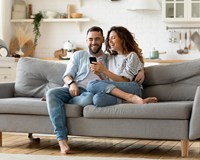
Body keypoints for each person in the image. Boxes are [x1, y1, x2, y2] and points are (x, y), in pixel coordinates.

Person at [46, 26, 108, 154]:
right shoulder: (78, 55)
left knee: (89, 98)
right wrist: (72, 83)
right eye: (90, 39)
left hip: (90, 92)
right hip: (73, 88)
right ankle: (62, 140)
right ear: (86, 41)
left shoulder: (109, 59)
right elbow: (67, 75)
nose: (93, 42)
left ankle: (58, 102)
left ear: (103, 40)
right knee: (51, 93)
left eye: (97, 39)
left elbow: (112, 79)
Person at [87, 26, 157, 107]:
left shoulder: (131, 56)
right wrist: (99, 73)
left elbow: (125, 81)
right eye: (109, 39)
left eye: (113, 38)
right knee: (97, 99)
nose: (110, 41)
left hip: (132, 88)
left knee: (91, 84)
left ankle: (131, 97)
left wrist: (104, 70)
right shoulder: (110, 57)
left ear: (122, 39)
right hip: (117, 90)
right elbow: (108, 81)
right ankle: (129, 100)